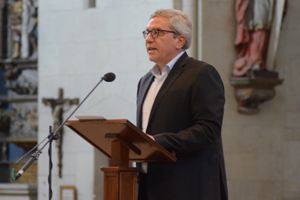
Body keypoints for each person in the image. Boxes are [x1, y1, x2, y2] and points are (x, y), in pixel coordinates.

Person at [136, 9, 228, 200]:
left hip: (186, 188)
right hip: (146, 186)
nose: (149, 39)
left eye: (158, 32)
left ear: (180, 40)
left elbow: (208, 129)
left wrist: (159, 142)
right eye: (147, 32)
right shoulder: (145, 81)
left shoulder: (200, 74)